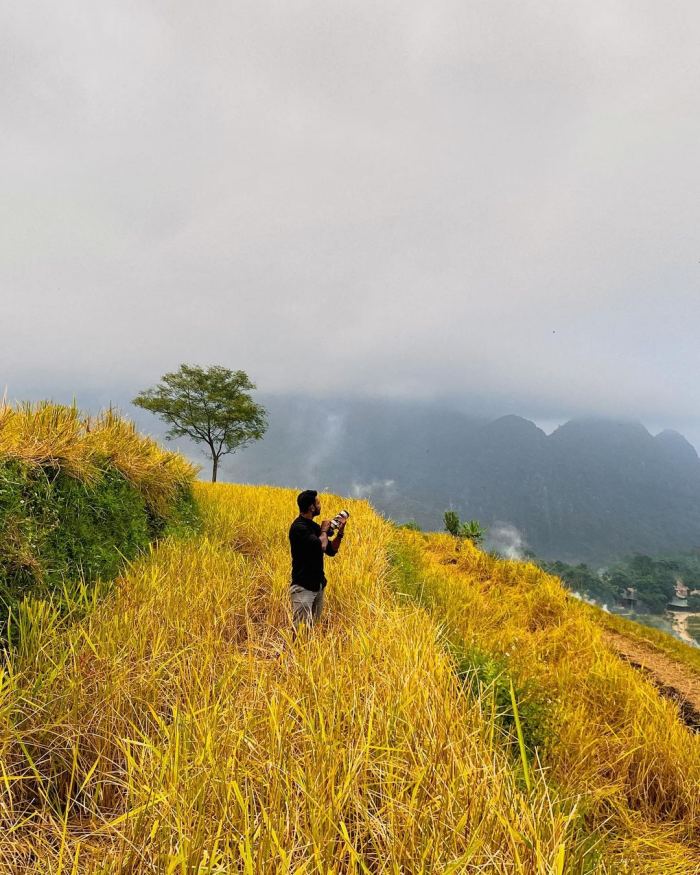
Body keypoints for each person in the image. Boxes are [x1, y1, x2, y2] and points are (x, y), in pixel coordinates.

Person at [288, 489, 346, 633]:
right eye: (318, 503)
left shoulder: (313, 526)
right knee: (300, 630)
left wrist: (340, 533)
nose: (320, 505)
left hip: (318, 585)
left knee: (311, 628)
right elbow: (322, 545)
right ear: (311, 507)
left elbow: (331, 551)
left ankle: (305, 655)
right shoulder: (298, 528)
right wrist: (325, 531)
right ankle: (294, 654)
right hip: (303, 587)